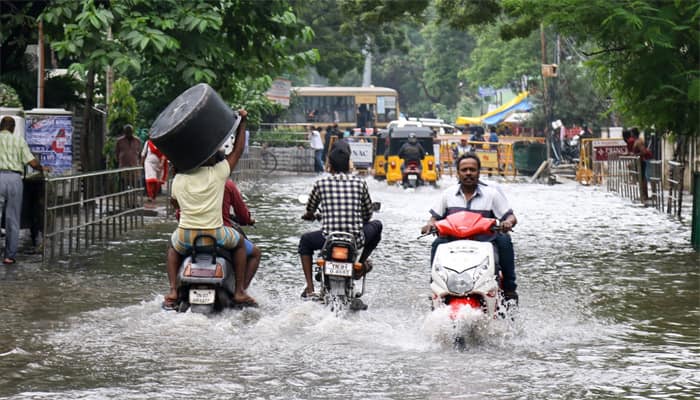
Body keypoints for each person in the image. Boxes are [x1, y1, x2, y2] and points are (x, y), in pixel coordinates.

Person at [162, 109, 256, 309]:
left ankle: (172, 290)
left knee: (171, 247)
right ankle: (239, 291)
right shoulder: (218, 174)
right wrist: (242, 122)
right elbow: (237, 151)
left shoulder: (179, 179)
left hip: (186, 236)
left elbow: (175, 205)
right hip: (216, 234)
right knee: (240, 244)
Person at [420, 153, 519, 303]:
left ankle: (510, 290)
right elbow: (434, 218)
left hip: (484, 244)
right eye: (464, 170)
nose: (468, 173)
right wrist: (429, 225)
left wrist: (507, 223)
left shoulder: (491, 194)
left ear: (479, 172)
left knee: (504, 240)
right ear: (458, 172)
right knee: (437, 244)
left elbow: (510, 217)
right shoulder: (447, 194)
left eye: (472, 170)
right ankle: (436, 287)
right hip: (452, 244)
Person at [298, 140, 383, 305]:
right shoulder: (360, 183)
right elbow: (367, 214)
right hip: (354, 240)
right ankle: (359, 264)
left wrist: (309, 215)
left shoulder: (321, 183)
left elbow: (310, 209)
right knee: (377, 225)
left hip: (327, 240)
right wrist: (361, 219)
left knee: (305, 242)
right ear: (349, 163)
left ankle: (309, 288)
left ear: (329, 164)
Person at [0, 116, 49, 265]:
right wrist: (42, 168)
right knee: (12, 219)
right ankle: (9, 256)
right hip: (15, 179)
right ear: (13, 128)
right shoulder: (19, 141)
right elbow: (32, 162)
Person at [222, 178, 261, 290]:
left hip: (189, 233)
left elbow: (179, 214)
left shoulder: (187, 181)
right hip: (220, 232)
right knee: (255, 253)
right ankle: (240, 291)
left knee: (174, 248)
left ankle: (174, 290)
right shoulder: (226, 183)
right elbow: (242, 214)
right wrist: (248, 220)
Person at [141, 136, 167, 203]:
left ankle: (154, 196)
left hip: (159, 164)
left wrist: (162, 163)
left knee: (157, 181)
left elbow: (164, 154)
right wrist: (142, 163)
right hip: (149, 163)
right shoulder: (148, 143)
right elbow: (143, 154)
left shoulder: (161, 143)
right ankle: (150, 196)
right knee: (150, 180)